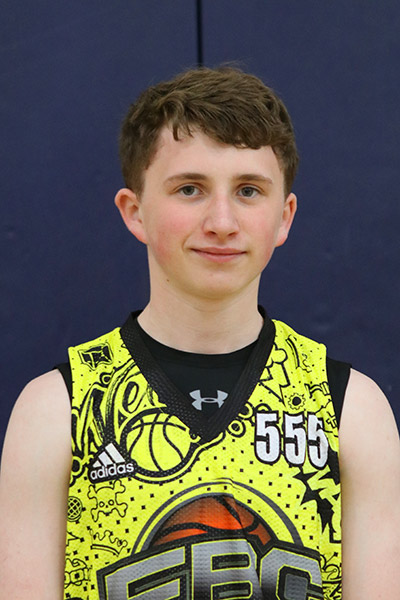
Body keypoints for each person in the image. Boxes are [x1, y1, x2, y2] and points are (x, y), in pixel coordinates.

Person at [0, 66, 399, 600]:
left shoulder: (350, 408)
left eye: (249, 191)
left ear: (284, 217)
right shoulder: (56, 408)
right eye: (190, 189)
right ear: (135, 211)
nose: (222, 222)